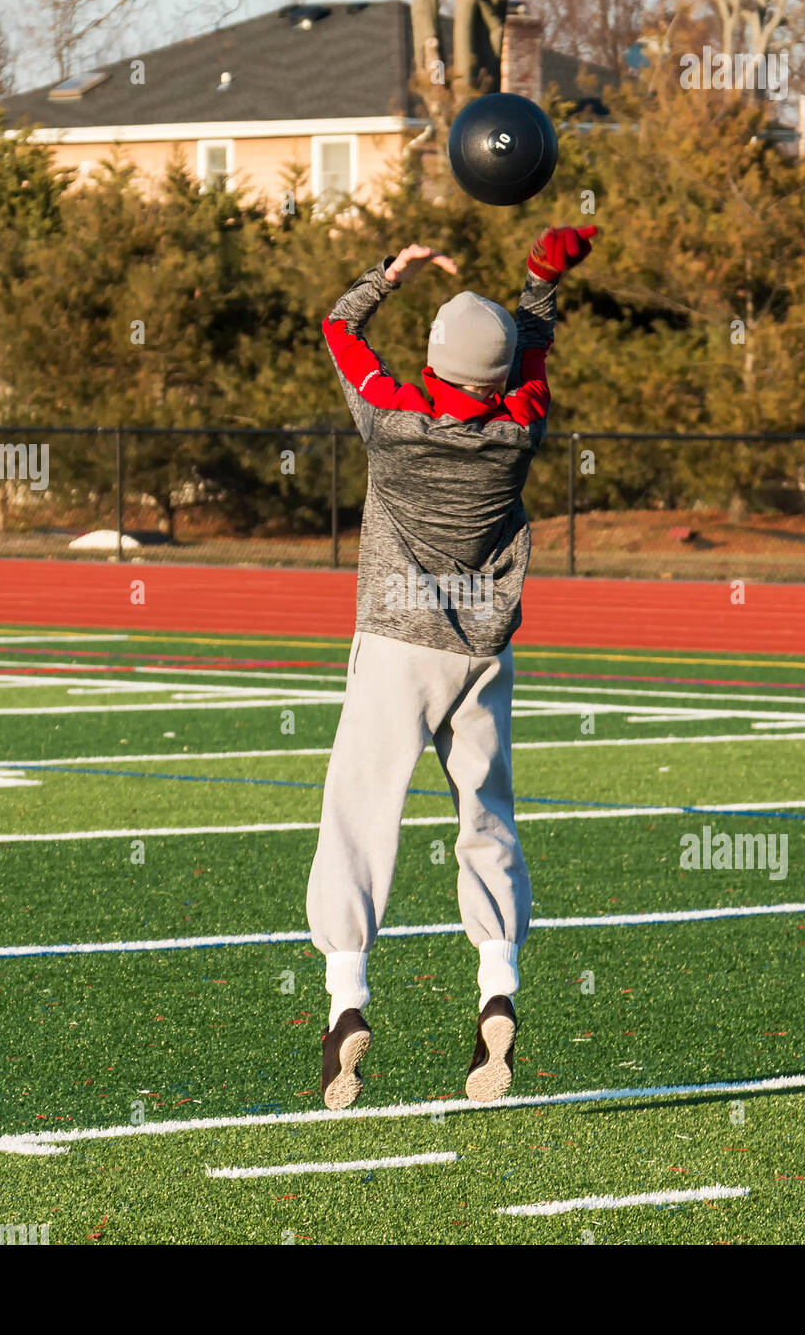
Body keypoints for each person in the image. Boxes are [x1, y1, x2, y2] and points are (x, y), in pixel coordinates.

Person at [306, 225, 599, 1109]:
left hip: (397, 646)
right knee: (488, 815)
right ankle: (496, 982)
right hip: (483, 649)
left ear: (434, 360)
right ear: (502, 376)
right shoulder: (521, 428)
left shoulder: (391, 420)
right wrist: (540, 278)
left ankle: (347, 1002)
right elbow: (535, 350)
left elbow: (338, 332)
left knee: (359, 816)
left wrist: (384, 277)